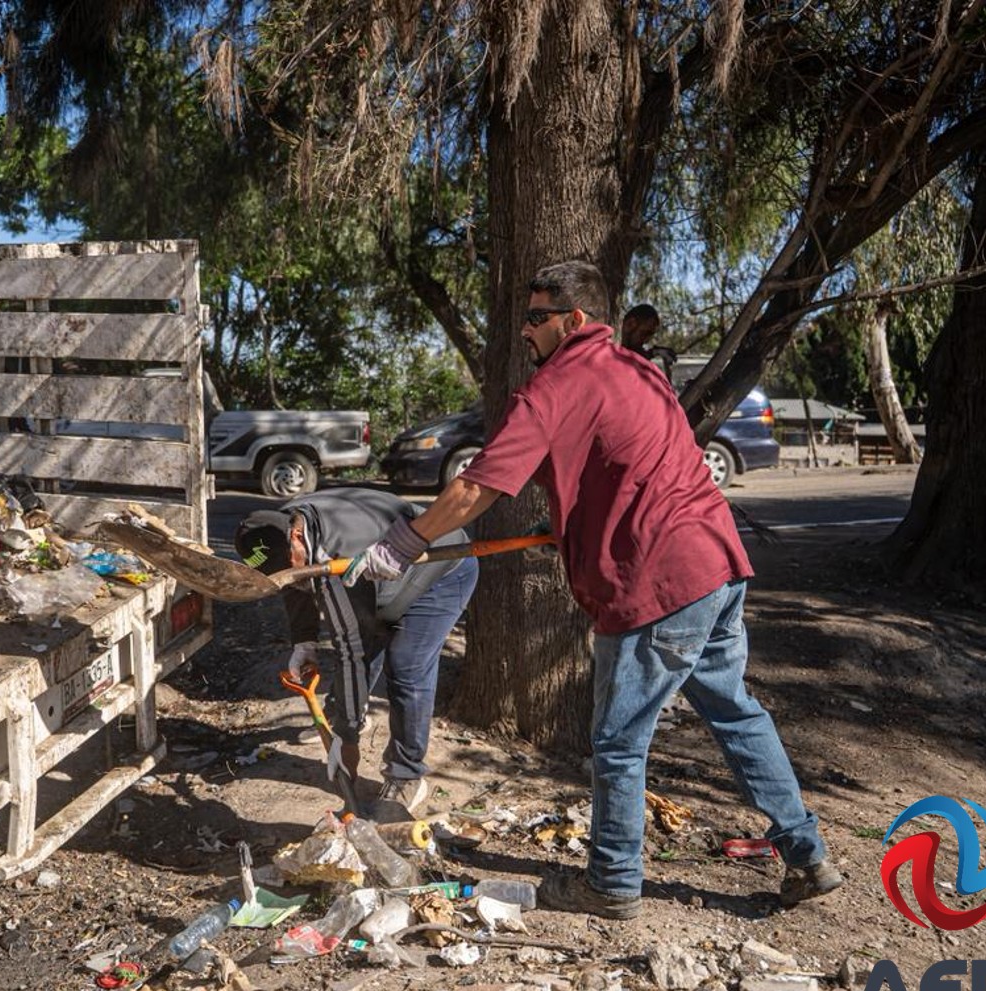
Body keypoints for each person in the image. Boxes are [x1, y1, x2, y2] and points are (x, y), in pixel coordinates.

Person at [341, 260, 842, 918]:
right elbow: (634, 459)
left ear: (574, 320)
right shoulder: (635, 369)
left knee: (617, 739)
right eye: (525, 317)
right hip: (717, 563)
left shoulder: (556, 384)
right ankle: (809, 857)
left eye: (537, 318)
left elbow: (477, 485)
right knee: (735, 714)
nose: (526, 331)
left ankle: (611, 883)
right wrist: (571, 520)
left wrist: (403, 545)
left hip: (657, 581)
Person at [234, 489, 478, 816]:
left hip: (442, 567)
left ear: (296, 536)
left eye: (290, 562)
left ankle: (407, 775)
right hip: (382, 576)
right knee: (364, 637)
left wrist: (347, 741)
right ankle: (344, 716)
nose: (290, 574)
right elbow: (293, 580)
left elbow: (352, 651)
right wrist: (304, 641)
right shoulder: (284, 525)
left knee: (406, 667)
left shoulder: (335, 552)